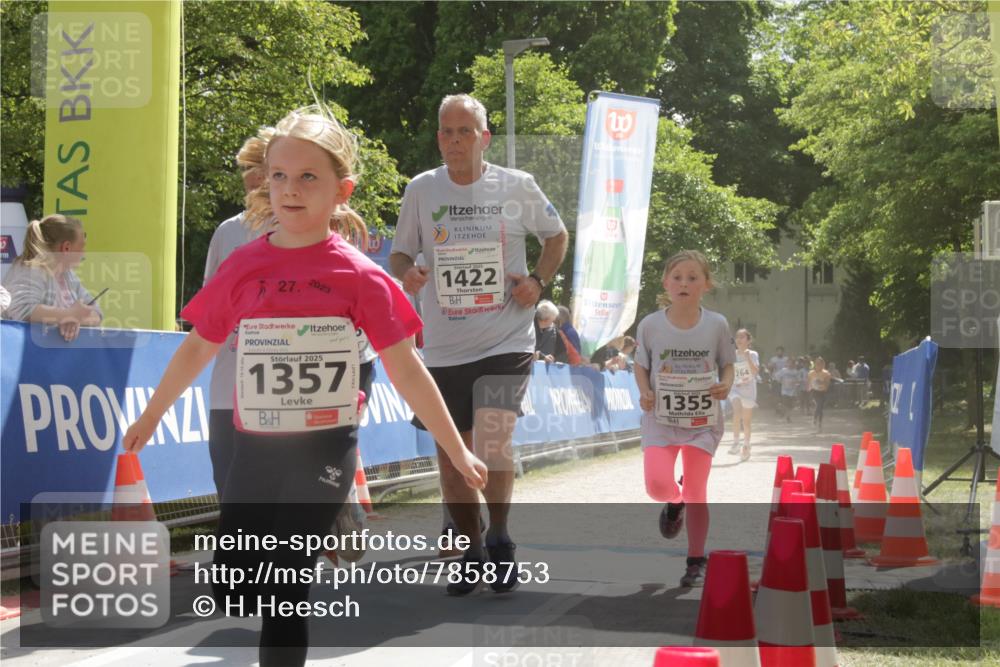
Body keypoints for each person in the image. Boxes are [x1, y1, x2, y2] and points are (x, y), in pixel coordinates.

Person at [123, 105, 487, 667]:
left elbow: (407, 368)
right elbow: (198, 345)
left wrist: (456, 447)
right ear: (266, 183)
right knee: (241, 579)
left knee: (287, 585)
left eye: (308, 177)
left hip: (324, 447)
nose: (291, 190)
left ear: (342, 190)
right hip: (254, 447)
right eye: (279, 176)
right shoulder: (242, 266)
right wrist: (151, 415)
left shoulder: (363, 277)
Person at [390, 93, 568, 595]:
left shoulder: (516, 186)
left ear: (484, 137)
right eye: (446, 131)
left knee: (492, 441)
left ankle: (502, 538)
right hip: (444, 349)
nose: (453, 140)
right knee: (451, 456)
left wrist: (537, 281)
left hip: (505, 338)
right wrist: (411, 274)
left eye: (464, 131)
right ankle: (471, 546)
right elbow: (401, 254)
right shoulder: (422, 189)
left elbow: (556, 236)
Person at [634, 250, 735, 588]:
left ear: (706, 285)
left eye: (693, 278)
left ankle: (696, 558)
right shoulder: (650, 324)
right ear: (666, 283)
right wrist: (645, 390)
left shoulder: (717, 324)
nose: (684, 283)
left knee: (697, 490)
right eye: (677, 277)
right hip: (661, 417)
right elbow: (641, 365)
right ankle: (673, 503)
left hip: (702, 421)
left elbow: (727, 363)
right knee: (656, 486)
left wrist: (726, 385)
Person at [2, 214, 102, 341]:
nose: (84, 253)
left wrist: (74, 320)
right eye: (82, 246)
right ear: (66, 248)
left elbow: (97, 314)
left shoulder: (68, 275)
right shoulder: (31, 269)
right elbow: (22, 309)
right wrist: (68, 315)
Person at [727, 328, 759, 461]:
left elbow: (755, 371)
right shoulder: (731, 354)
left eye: (742, 337)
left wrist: (747, 358)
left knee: (746, 421)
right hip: (735, 388)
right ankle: (735, 442)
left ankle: (746, 445)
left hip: (749, 390)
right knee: (737, 410)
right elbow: (729, 371)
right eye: (737, 337)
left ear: (748, 340)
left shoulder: (753, 354)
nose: (739, 339)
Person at [808, 356, 833, 432]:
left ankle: (819, 424)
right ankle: (815, 420)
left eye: (820, 363)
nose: (819, 365)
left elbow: (828, 384)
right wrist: (809, 390)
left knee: (820, 408)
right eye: (817, 363)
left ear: (823, 364)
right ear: (815, 364)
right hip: (814, 391)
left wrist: (821, 382)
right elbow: (809, 383)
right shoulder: (811, 373)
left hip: (822, 392)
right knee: (818, 405)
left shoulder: (826, 373)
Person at [533, 299, 563, 363]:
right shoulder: (529, 328)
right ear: (545, 320)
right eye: (552, 321)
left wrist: (543, 357)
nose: (552, 324)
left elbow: (536, 353)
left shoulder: (539, 328)